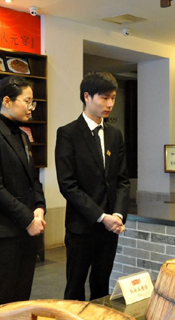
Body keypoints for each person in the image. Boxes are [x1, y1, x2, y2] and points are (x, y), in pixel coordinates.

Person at [55, 71, 130, 301]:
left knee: (101, 286)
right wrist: (101, 216)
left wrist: (117, 214)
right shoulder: (68, 133)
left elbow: (122, 179)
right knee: (75, 288)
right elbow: (68, 185)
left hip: (110, 229)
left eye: (113, 98)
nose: (110, 104)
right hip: (82, 226)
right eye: (104, 98)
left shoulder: (115, 135)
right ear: (87, 96)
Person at [0, 76, 46, 309]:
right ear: (7, 101)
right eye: (27, 101)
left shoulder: (23, 136)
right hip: (3, 235)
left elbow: (33, 180)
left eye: (32, 102)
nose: (31, 107)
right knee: (1, 302)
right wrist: (28, 219)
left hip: (27, 232)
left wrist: (39, 207)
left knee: (21, 300)